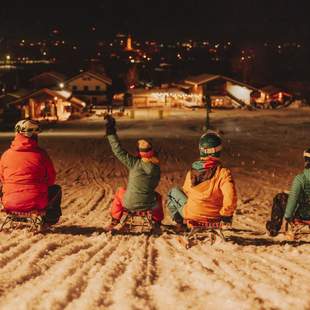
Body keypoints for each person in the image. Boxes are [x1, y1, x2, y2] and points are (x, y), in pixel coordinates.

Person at [166, 131, 237, 230]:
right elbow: (230, 196)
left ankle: (181, 224)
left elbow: (187, 192)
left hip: (193, 214)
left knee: (173, 192)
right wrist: (226, 215)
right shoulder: (223, 173)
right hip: (216, 216)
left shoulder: (192, 172)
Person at [104, 115, 163, 230]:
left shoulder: (134, 163)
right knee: (158, 197)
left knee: (120, 191)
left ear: (139, 153)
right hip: (149, 204)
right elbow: (154, 185)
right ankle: (157, 221)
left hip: (129, 203)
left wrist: (111, 132)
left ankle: (115, 219)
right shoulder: (156, 168)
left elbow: (118, 151)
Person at [0, 119, 62, 225]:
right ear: (34, 136)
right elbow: (51, 179)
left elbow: (2, 178)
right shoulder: (41, 155)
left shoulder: (6, 155)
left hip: (9, 203)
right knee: (56, 189)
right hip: (36, 203)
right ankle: (49, 220)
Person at [266, 149, 310, 236]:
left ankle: (273, 228)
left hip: (303, 215)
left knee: (280, 197)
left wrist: (288, 216)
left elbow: (293, 200)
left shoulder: (300, 179)